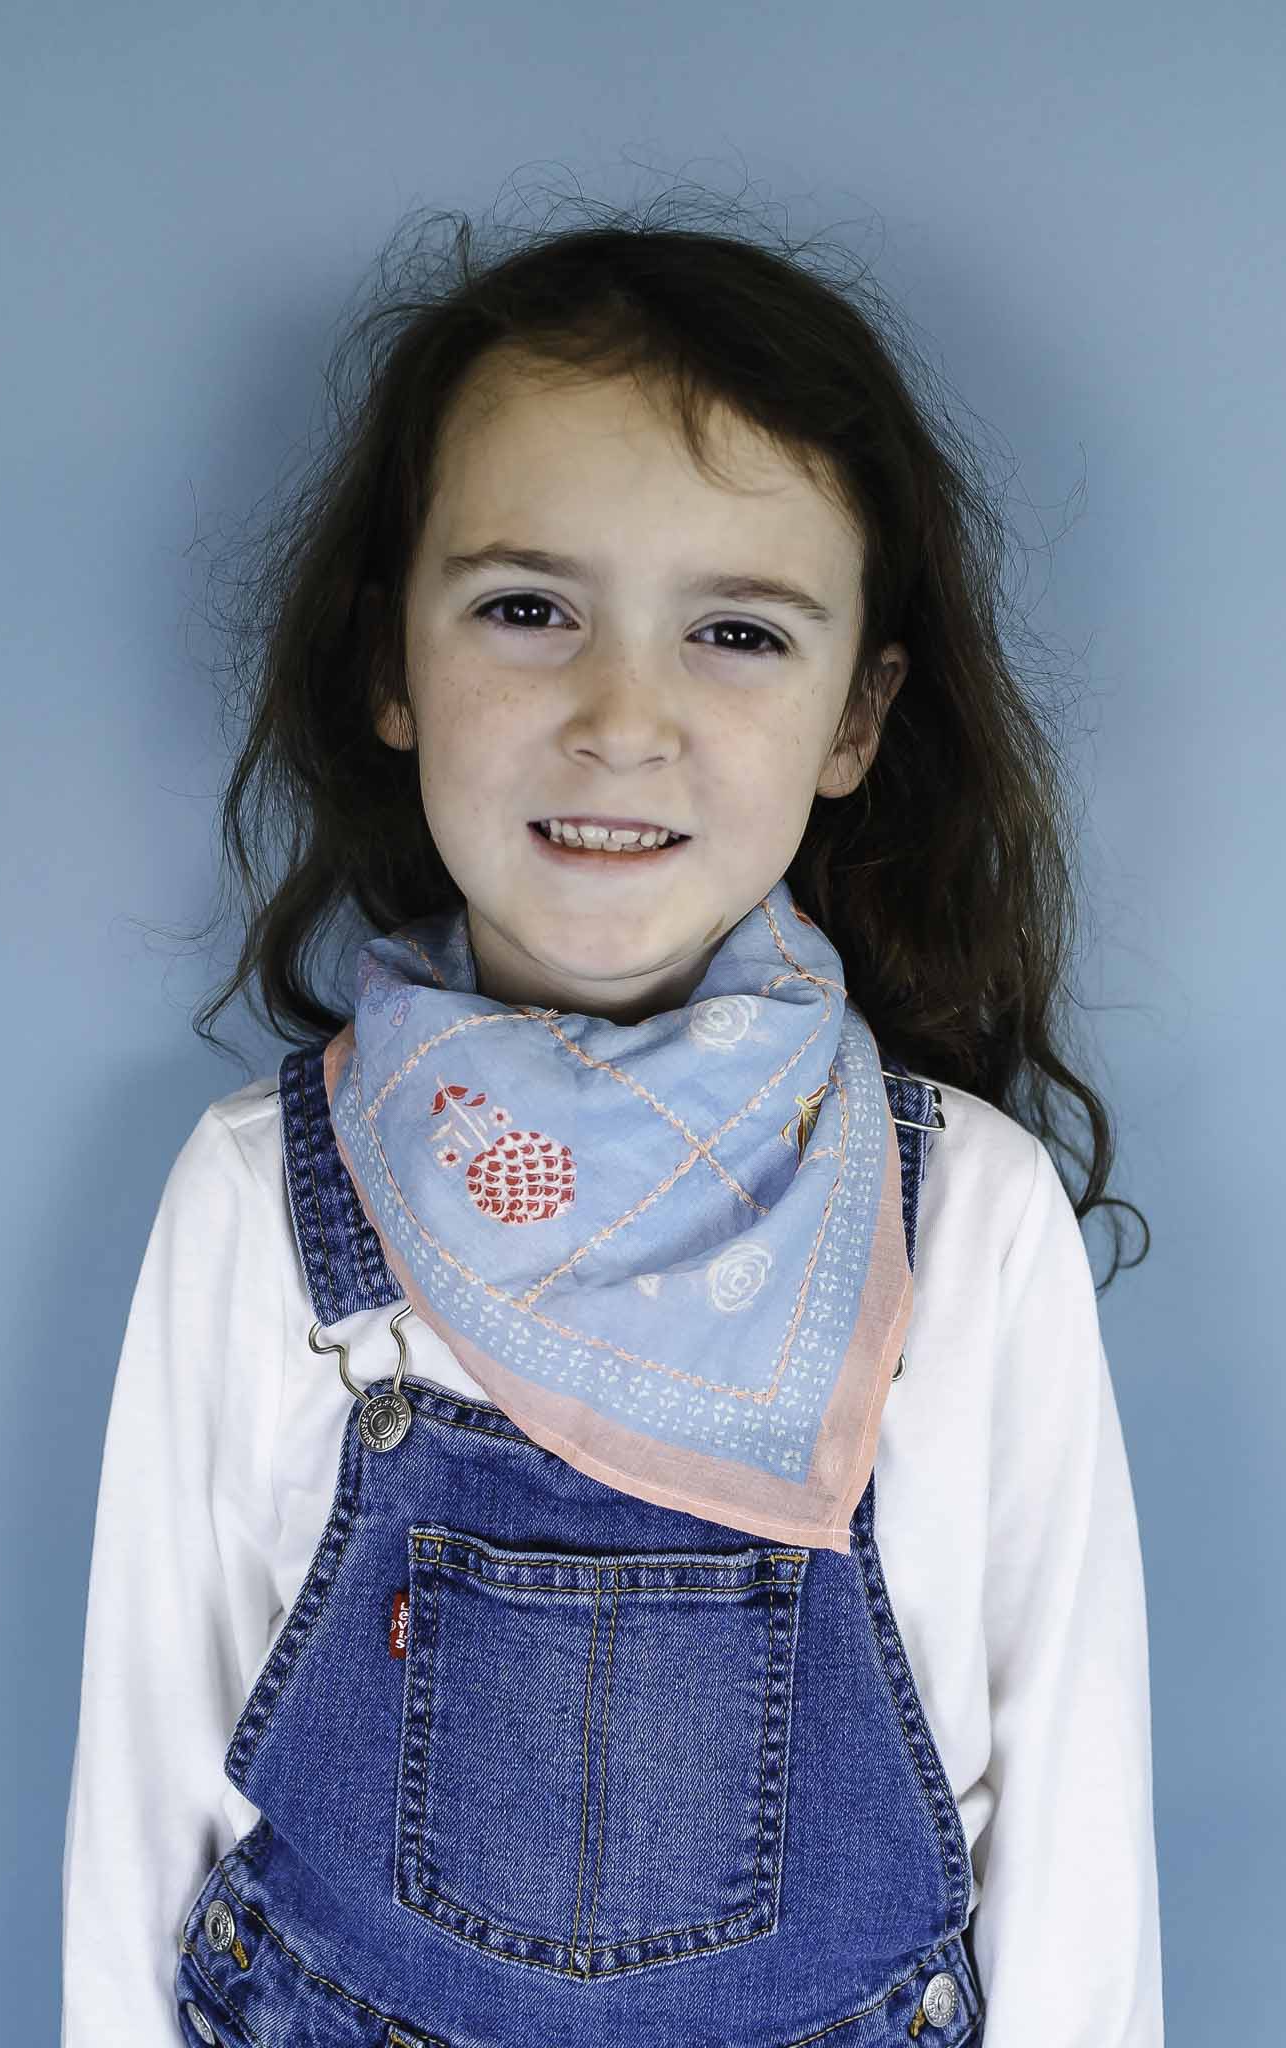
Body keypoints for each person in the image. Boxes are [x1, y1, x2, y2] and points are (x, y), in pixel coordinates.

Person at [61, 202, 1164, 2046]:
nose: (619, 717)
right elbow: (142, 1800)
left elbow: (1073, 1839)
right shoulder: (265, 1191)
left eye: (734, 632)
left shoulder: (961, 1210)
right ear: (391, 663)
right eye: (527, 609)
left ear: (856, 716)